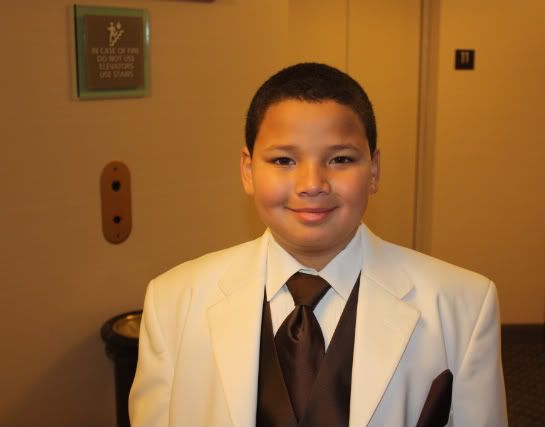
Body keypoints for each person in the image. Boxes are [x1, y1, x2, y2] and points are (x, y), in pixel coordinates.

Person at [129, 63, 508, 427]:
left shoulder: (462, 305)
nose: (312, 184)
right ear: (248, 170)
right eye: (283, 160)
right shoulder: (173, 301)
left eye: (340, 159)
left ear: (374, 171)